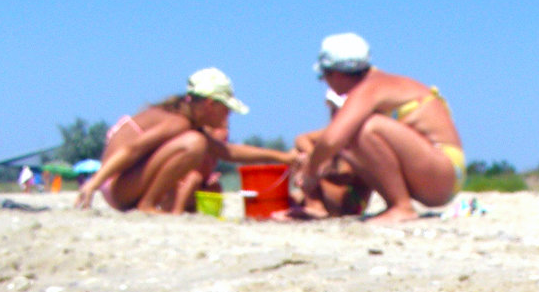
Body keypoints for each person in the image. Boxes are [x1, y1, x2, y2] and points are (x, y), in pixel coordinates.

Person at [296, 32, 465, 224]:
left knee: (364, 127)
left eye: (323, 76)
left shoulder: (370, 88)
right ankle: (396, 205)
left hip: (443, 172)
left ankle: (401, 207)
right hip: (436, 173)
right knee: (349, 141)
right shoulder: (376, 85)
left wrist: (310, 171)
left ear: (334, 74)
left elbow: (331, 139)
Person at [75, 68, 295, 213]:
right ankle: (148, 204)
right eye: (226, 109)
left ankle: (150, 203)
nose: (228, 116)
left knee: (196, 143)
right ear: (210, 104)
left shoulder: (182, 118)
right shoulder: (179, 123)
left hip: (120, 184)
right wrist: (94, 183)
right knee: (194, 144)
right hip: (117, 187)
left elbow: (228, 152)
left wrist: (282, 157)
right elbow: (132, 149)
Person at [274, 89, 372, 220]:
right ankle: (308, 203)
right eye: (333, 110)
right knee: (299, 155)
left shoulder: (361, 137)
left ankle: (315, 206)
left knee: (304, 161)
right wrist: (313, 158)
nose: (334, 114)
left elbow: (348, 174)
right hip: (337, 196)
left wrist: (313, 165)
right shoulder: (335, 134)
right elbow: (301, 139)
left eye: (338, 110)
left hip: (351, 202)